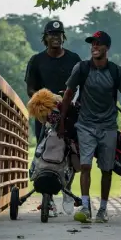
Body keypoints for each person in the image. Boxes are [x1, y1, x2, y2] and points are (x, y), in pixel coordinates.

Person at [58, 30, 121, 223]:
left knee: (107, 169)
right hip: (85, 125)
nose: (94, 47)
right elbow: (68, 94)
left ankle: (103, 209)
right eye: (92, 44)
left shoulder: (115, 71)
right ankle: (85, 206)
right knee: (85, 165)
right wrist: (61, 121)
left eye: (98, 44)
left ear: (107, 48)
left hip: (108, 126)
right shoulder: (81, 68)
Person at [24, 20, 82, 217]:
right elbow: (30, 88)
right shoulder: (36, 61)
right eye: (51, 34)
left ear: (63, 36)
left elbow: (82, 85)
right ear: (45, 37)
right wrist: (45, 97)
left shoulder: (74, 59)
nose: (55, 37)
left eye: (59, 34)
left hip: (70, 112)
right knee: (44, 151)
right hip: (45, 114)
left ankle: (67, 193)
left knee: (71, 152)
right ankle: (47, 200)